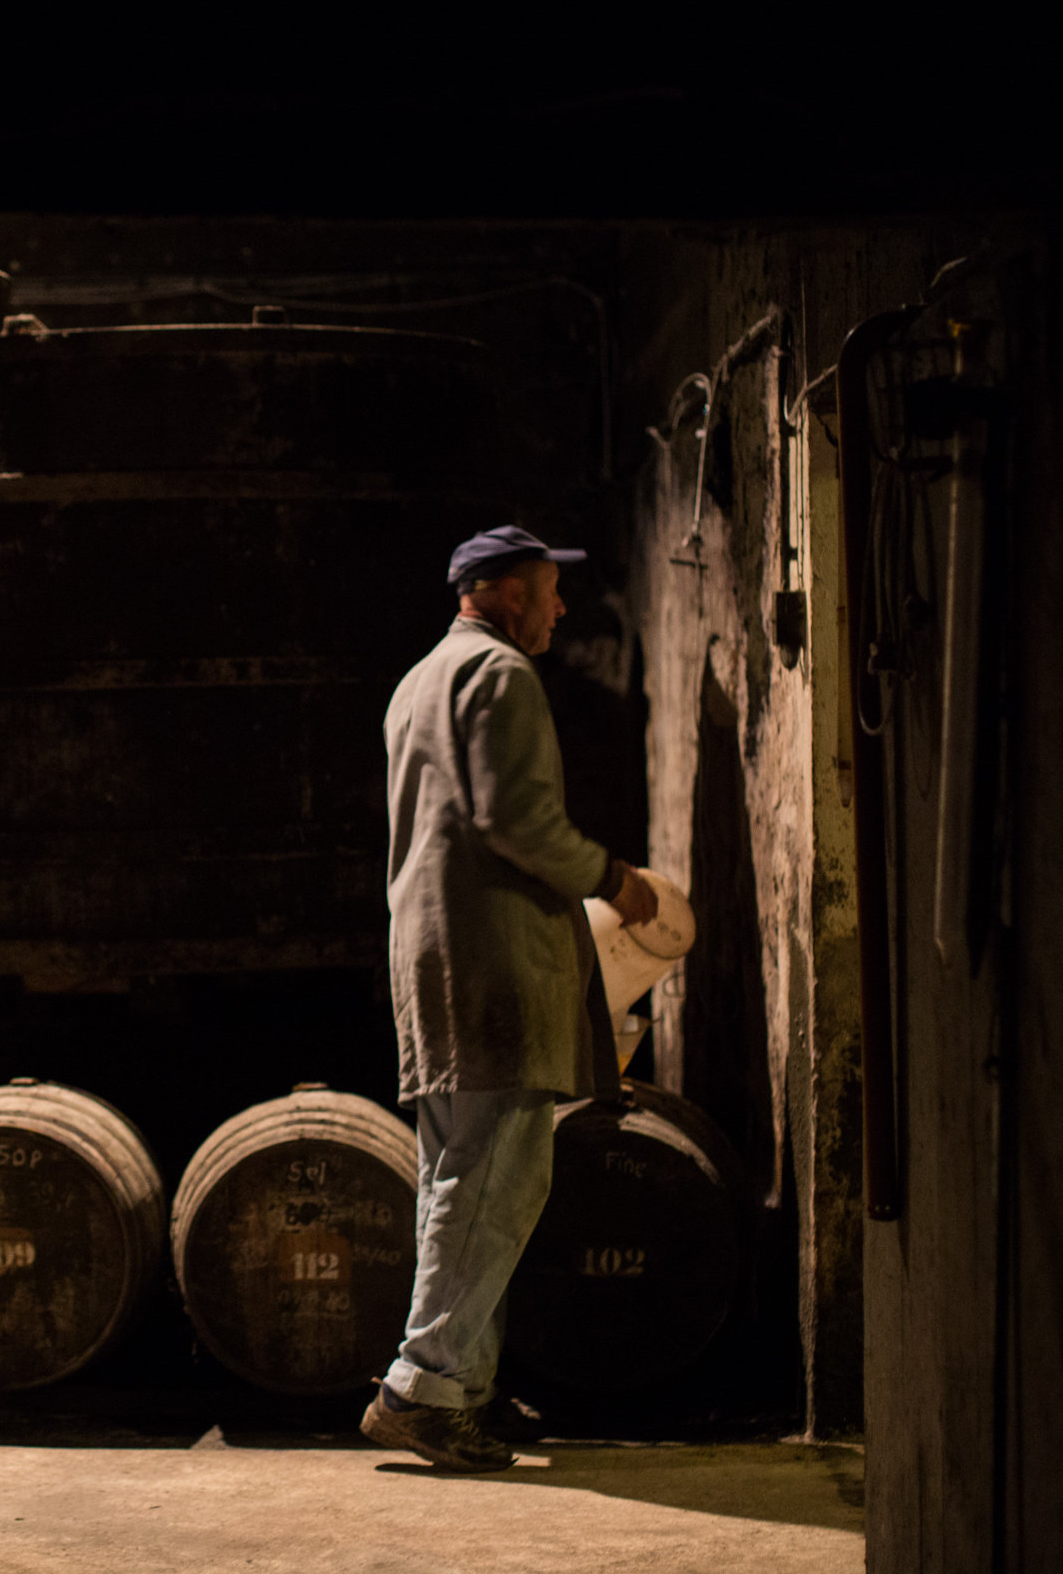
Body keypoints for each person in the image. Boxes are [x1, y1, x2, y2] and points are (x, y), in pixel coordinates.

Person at [358, 523, 660, 1472]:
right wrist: (615, 879)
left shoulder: (416, 683)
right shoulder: (499, 677)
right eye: (547, 589)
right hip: (492, 959)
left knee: (460, 1171)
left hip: (434, 952)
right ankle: (423, 1387)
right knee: (499, 1176)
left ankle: (465, 1389)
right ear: (495, 590)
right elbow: (517, 820)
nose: (561, 608)